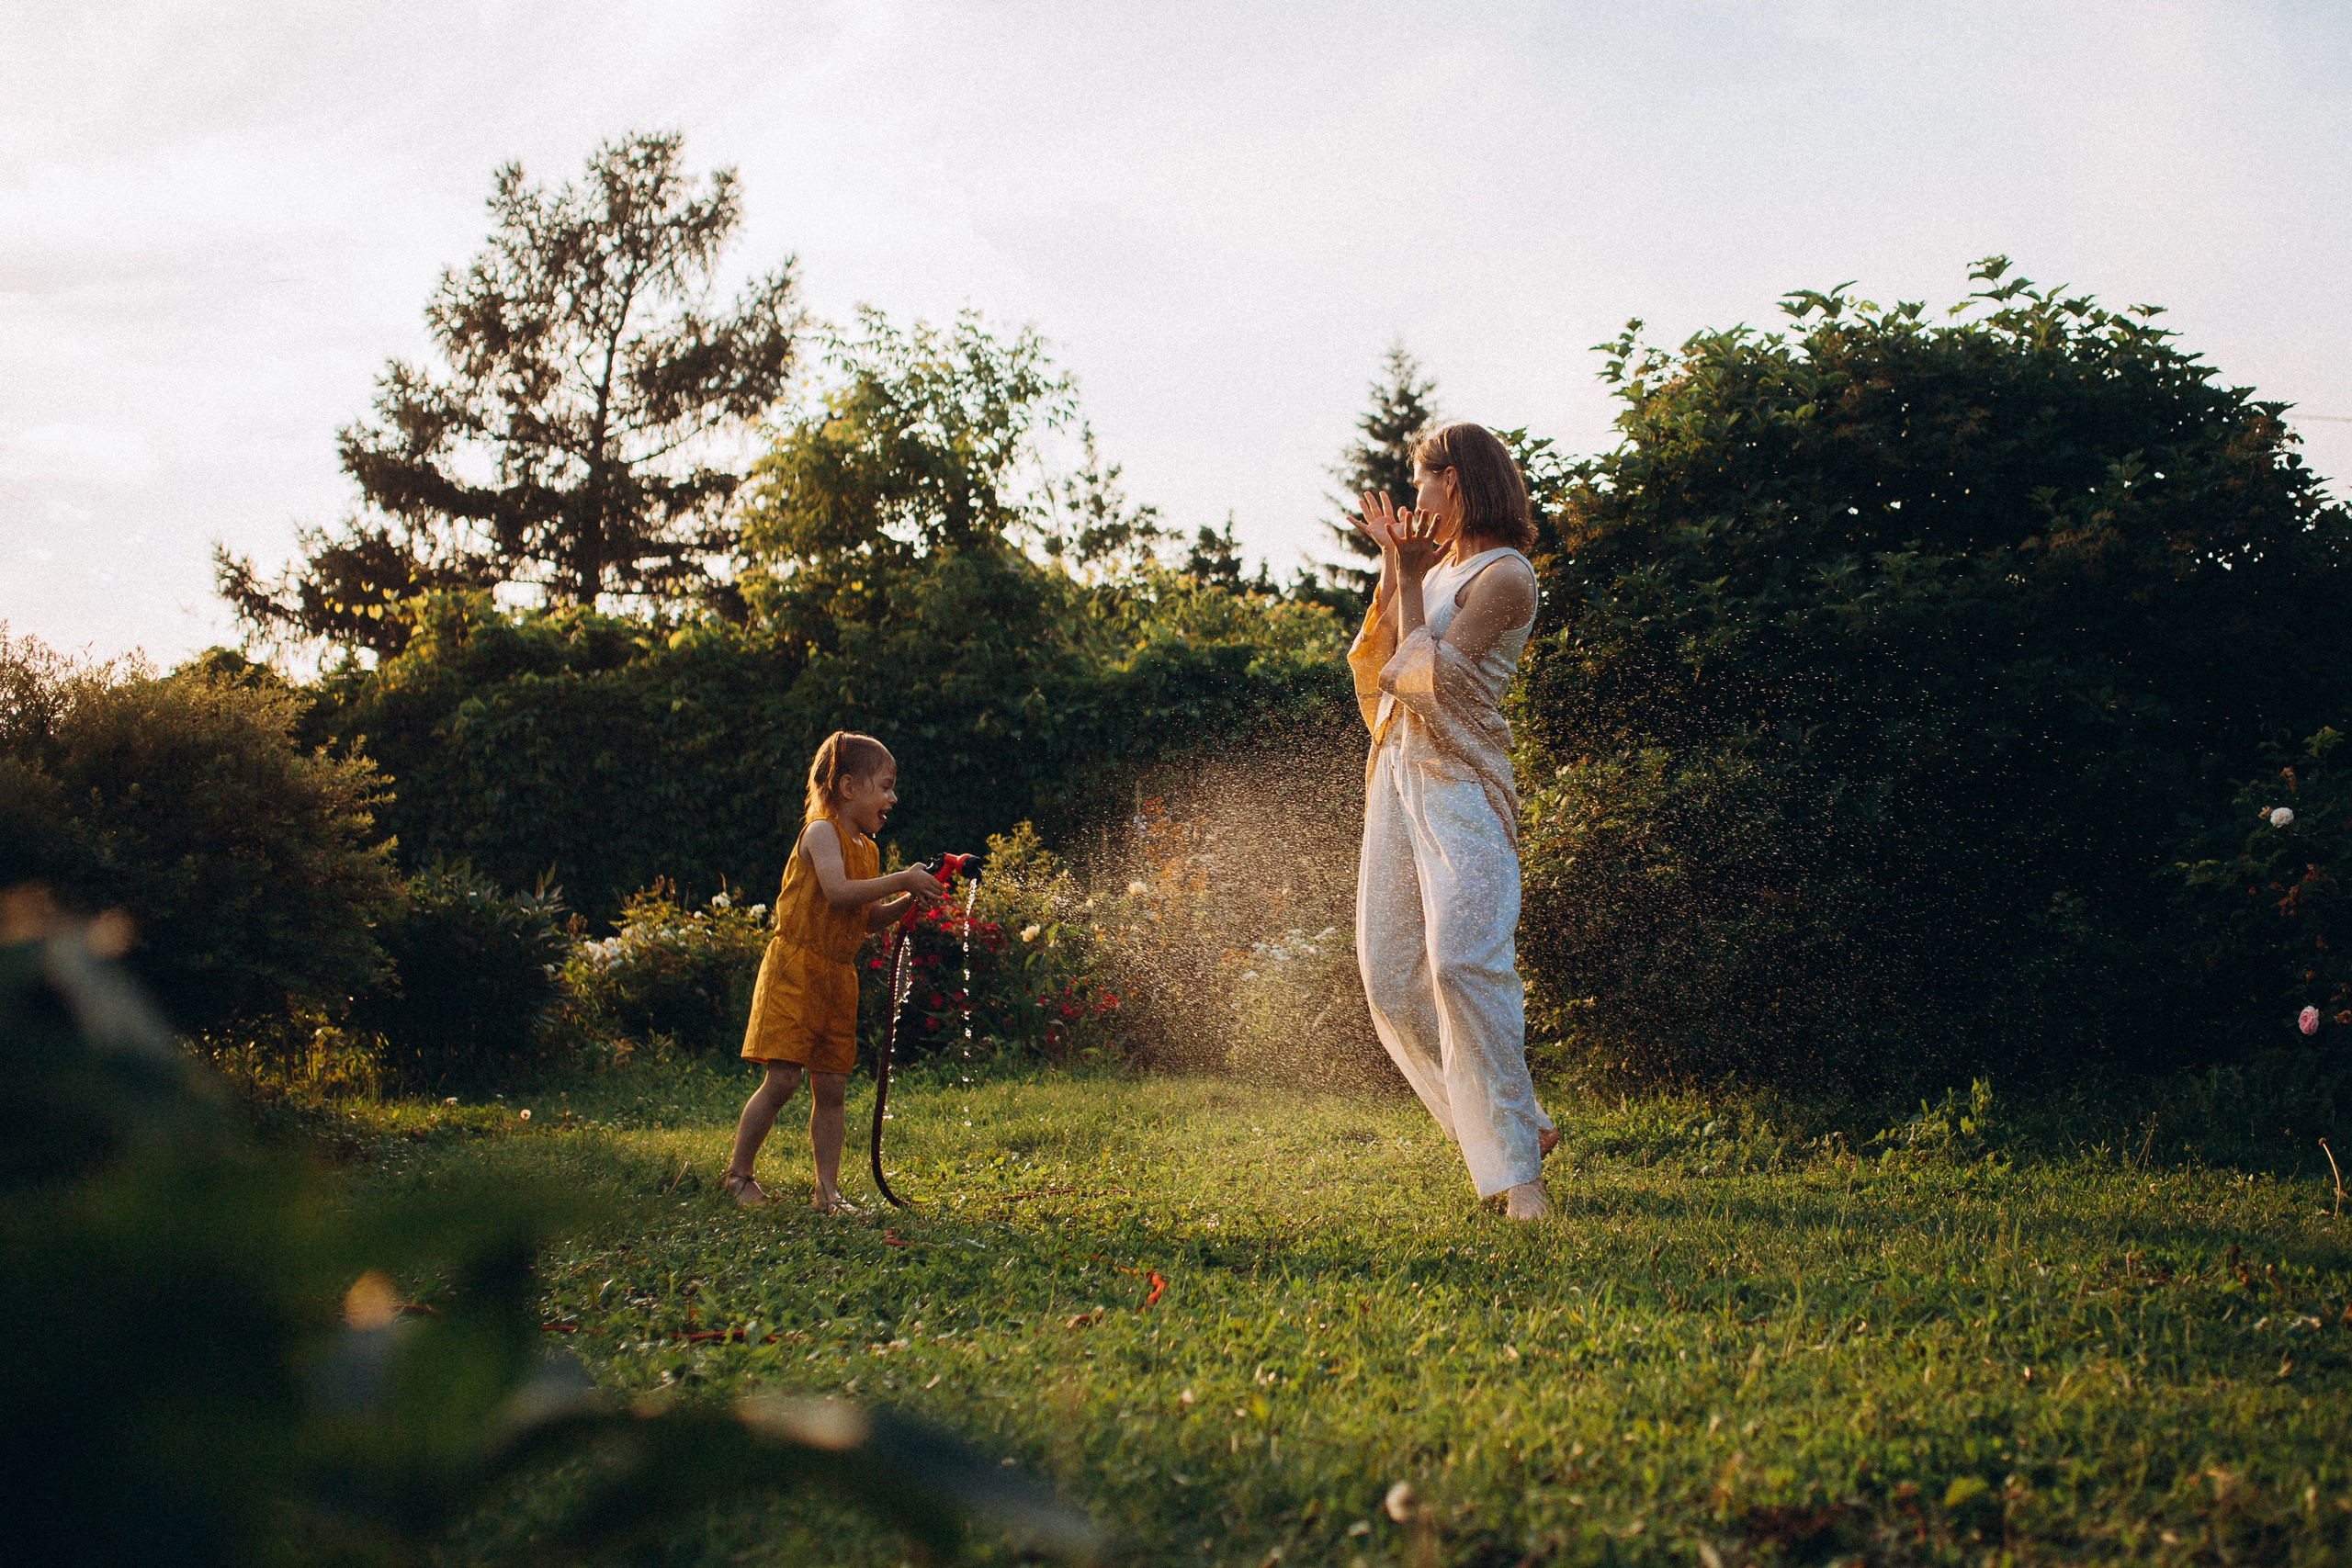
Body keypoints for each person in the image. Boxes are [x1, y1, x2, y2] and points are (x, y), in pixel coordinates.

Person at [1348, 422, 1560, 1221]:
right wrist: (1397, 569)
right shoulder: (1437, 568)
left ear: (1458, 480)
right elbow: (1384, 658)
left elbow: (1432, 683)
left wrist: (1406, 576)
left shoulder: (1507, 576)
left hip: (1461, 781)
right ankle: (1520, 1126)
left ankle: (1519, 1178)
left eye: (1423, 479)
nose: (1415, 496)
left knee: (1463, 961)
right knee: (1389, 973)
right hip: (1398, 775)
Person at [722, 731, 944, 1212]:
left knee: (833, 1088)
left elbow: (863, 920)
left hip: (837, 977)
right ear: (847, 787)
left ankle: (828, 1192)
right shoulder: (821, 833)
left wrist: (909, 899)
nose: (893, 798)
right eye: (884, 787)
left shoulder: (868, 851)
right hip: (795, 970)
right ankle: (739, 1175)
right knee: (782, 1081)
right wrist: (903, 877)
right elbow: (838, 893)